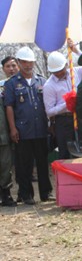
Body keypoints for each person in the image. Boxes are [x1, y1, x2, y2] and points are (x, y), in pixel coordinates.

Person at [4, 47, 54, 205]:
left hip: (40, 128)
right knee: (24, 164)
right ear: (19, 63)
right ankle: (26, 194)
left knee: (42, 162)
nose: (28, 65)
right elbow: (9, 106)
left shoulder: (42, 80)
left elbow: (48, 104)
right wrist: (12, 128)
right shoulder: (12, 83)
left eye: (30, 62)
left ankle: (46, 193)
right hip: (22, 130)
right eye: (24, 62)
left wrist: (50, 123)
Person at [43, 51, 82, 159]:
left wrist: (76, 50)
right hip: (64, 121)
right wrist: (66, 104)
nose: (58, 73)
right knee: (65, 152)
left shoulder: (76, 72)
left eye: (60, 70)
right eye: (55, 71)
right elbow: (49, 111)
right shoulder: (49, 85)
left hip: (81, 117)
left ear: (66, 64)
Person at [0, 56, 19, 206]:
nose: (11, 69)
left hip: (12, 134)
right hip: (4, 134)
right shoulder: (2, 87)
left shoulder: (24, 84)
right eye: (8, 66)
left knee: (7, 166)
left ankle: (7, 194)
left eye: (14, 65)